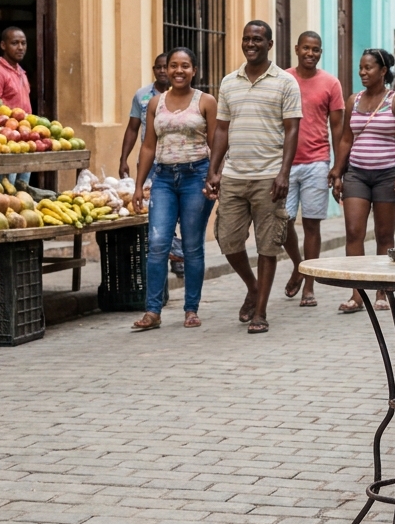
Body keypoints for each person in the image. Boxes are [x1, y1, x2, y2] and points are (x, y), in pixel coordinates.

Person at [205, 21, 302, 335]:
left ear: (269, 44)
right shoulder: (229, 82)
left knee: (268, 246)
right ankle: (253, 285)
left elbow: (292, 130)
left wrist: (284, 173)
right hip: (234, 174)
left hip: (269, 176)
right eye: (246, 38)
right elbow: (221, 129)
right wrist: (214, 169)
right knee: (227, 240)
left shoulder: (285, 82)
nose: (251, 43)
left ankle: (260, 311)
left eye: (257, 39)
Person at [130, 47, 218, 331]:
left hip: (196, 176)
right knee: (157, 245)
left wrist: (214, 177)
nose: (178, 71)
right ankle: (152, 311)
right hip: (164, 179)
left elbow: (217, 143)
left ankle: (191, 309)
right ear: (165, 70)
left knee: (192, 246)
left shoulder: (206, 101)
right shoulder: (155, 103)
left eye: (185, 66)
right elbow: (147, 146)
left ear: (194, 70)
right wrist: (138, 185)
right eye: (173, 66)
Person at [329, 49, 395, 314]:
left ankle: (383, 290)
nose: (363, 73)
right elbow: (345, 139)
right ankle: (357, 293)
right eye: (361, 68)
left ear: (383, 71)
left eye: (368, 68)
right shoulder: (354, 100)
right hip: (357, 174)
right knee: (354, 232)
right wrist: (337, 171)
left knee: (384, 235)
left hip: (388, 174)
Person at [281, 31, 345, 308]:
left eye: (315, 49)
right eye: (306, 48)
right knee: (282, 223)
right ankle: (299, 264)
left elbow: (339, 129)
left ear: (321, 52)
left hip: (317, 162)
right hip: (284, 164)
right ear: (297, 49)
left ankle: (309, 286)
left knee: (311, 224)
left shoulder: (330, 83)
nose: (310, 53)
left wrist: (337, 167)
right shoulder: (283, 79)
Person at [119, 53, 184, 276]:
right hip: (150, 163)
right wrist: (123, 159)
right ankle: (165, 252)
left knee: (172, 209)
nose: (164, 71)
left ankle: (175, 252)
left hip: (174, 161)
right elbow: (132, 127)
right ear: (154, 69)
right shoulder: (143, 96)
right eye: (159, 67)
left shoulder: (184, 96)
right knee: (152, 208)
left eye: (167, 67)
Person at [0, 26, 33, 190]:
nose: (20, 47)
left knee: (23, 189)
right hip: (6, 141)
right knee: (6, 189)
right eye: (15, 43)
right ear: (3, 45)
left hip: (25, 139)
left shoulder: (21, 72)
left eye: (23, 43)